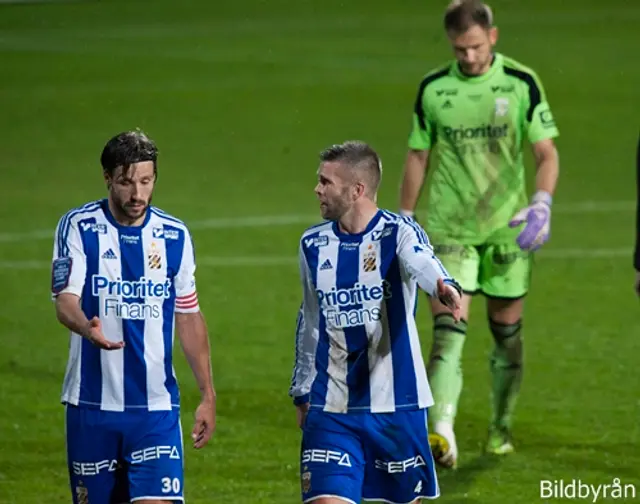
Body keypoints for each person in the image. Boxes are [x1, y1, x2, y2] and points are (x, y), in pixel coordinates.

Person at [398, 0, 560, 468]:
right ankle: (441, 431)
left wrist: (542, 204)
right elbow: (418, 155)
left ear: (492, 36)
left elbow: (546, 152)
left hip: (508, 230)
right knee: (448, 331)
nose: (467, 57)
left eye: (474, 47)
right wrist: (405, 217)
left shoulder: (521, 82)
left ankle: (500, 426)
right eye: (458, 49)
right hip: (451, 227)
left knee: (506, 333)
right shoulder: (434, 88)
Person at [289, 140, 462, 504]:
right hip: (330, 406)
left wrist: (442, 286)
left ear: (357, 190)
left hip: (397, 408)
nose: (317, 189)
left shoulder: (397, 232)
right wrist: (302, 389)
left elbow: (421, 261)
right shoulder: (313, 245)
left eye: (326, 182)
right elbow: (310, 321)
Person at [51, 130, 216, 504]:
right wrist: (86, 328)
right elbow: (65, 301)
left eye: (146, 181)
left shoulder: (174, 235)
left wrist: (207, 394)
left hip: (155, 410)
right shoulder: (79, 227)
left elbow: (188, 315)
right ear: (107, 178)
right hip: (92, 408)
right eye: (126, 182)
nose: (137, 194)